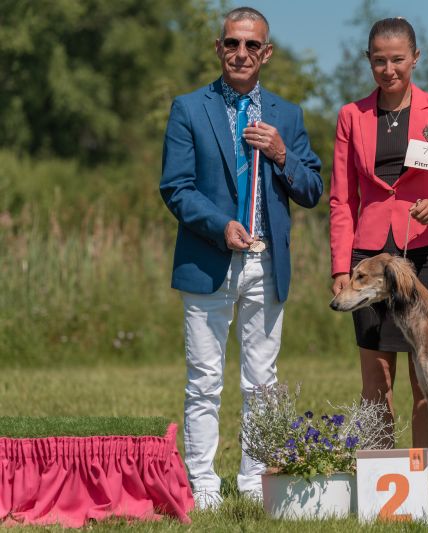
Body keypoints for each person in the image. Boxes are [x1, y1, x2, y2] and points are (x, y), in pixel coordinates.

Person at [160, 6, 323, 510]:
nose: (241, 53)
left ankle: (254, 480)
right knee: (204, 380)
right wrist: (219, 225)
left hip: (265, 264)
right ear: (219, 47)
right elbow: (176, 187)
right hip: (208, 261)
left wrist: (281, 153)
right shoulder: (189, 108)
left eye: (252, 45)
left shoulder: (287, 115)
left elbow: (312, 189)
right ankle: (204, 484)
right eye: (232, 43)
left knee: (263, 382)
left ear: (266, 53)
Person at [329, 17, 428, 472]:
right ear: (368, 61)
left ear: (415, 58)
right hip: (368, 261)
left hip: (427, 255)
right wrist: (340, 268)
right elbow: (342, 199)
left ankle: (425, 482)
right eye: (379, 60)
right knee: (377, 382)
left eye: (397, 59)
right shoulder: (351, 116)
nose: (388, 69)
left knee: (427, 383)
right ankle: (381, 480)